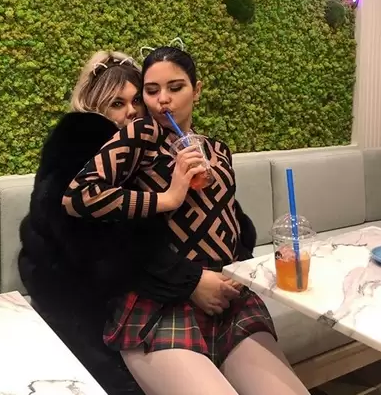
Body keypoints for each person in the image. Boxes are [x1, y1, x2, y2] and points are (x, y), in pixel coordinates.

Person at [63, 46, 311, 395]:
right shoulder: (141, 135)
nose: (163, 99)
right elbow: (78, 196)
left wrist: (239, 268)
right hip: (162, 306)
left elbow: (230, 220)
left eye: (175, 87)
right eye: (152, 91)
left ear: (197, 90)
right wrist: (168, 197)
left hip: (229, 300)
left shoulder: (218, 150)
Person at [19, 50, 256, 395]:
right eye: (117, 104)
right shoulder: (84, 142)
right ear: (94, 105)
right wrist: (190, 279)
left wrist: (235, 255)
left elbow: (224, 214)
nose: (131, 111)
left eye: (136, 101)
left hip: (139, 285)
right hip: (76, 291)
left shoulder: (156, 144)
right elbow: (99, 239)